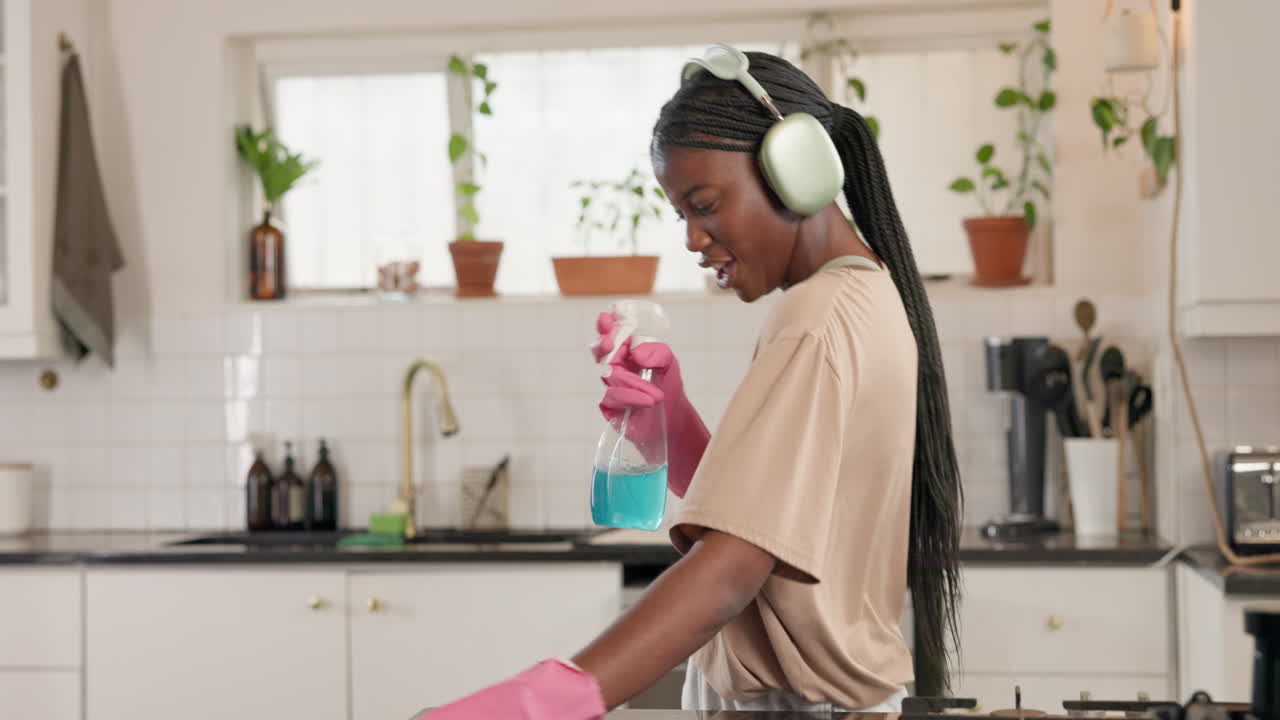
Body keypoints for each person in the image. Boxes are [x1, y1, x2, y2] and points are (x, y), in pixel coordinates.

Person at [418, 45, 963, 719]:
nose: (693, 238)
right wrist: (674, 418)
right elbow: (779, 522)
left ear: (794, 171)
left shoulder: (815, 318)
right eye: (682, 214)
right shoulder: (858, 296)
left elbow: (734, 567)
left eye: (704, 204)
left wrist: (550, 698)